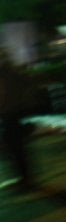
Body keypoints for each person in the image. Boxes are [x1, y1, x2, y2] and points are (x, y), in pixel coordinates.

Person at [0, 52, 36, 191]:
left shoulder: (5, 72)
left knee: (14, 146)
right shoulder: (11, 71)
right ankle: (25, 177)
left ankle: (25, 178)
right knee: (15, 146)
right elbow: (27, 83)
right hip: (12, 112)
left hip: (10, 112)